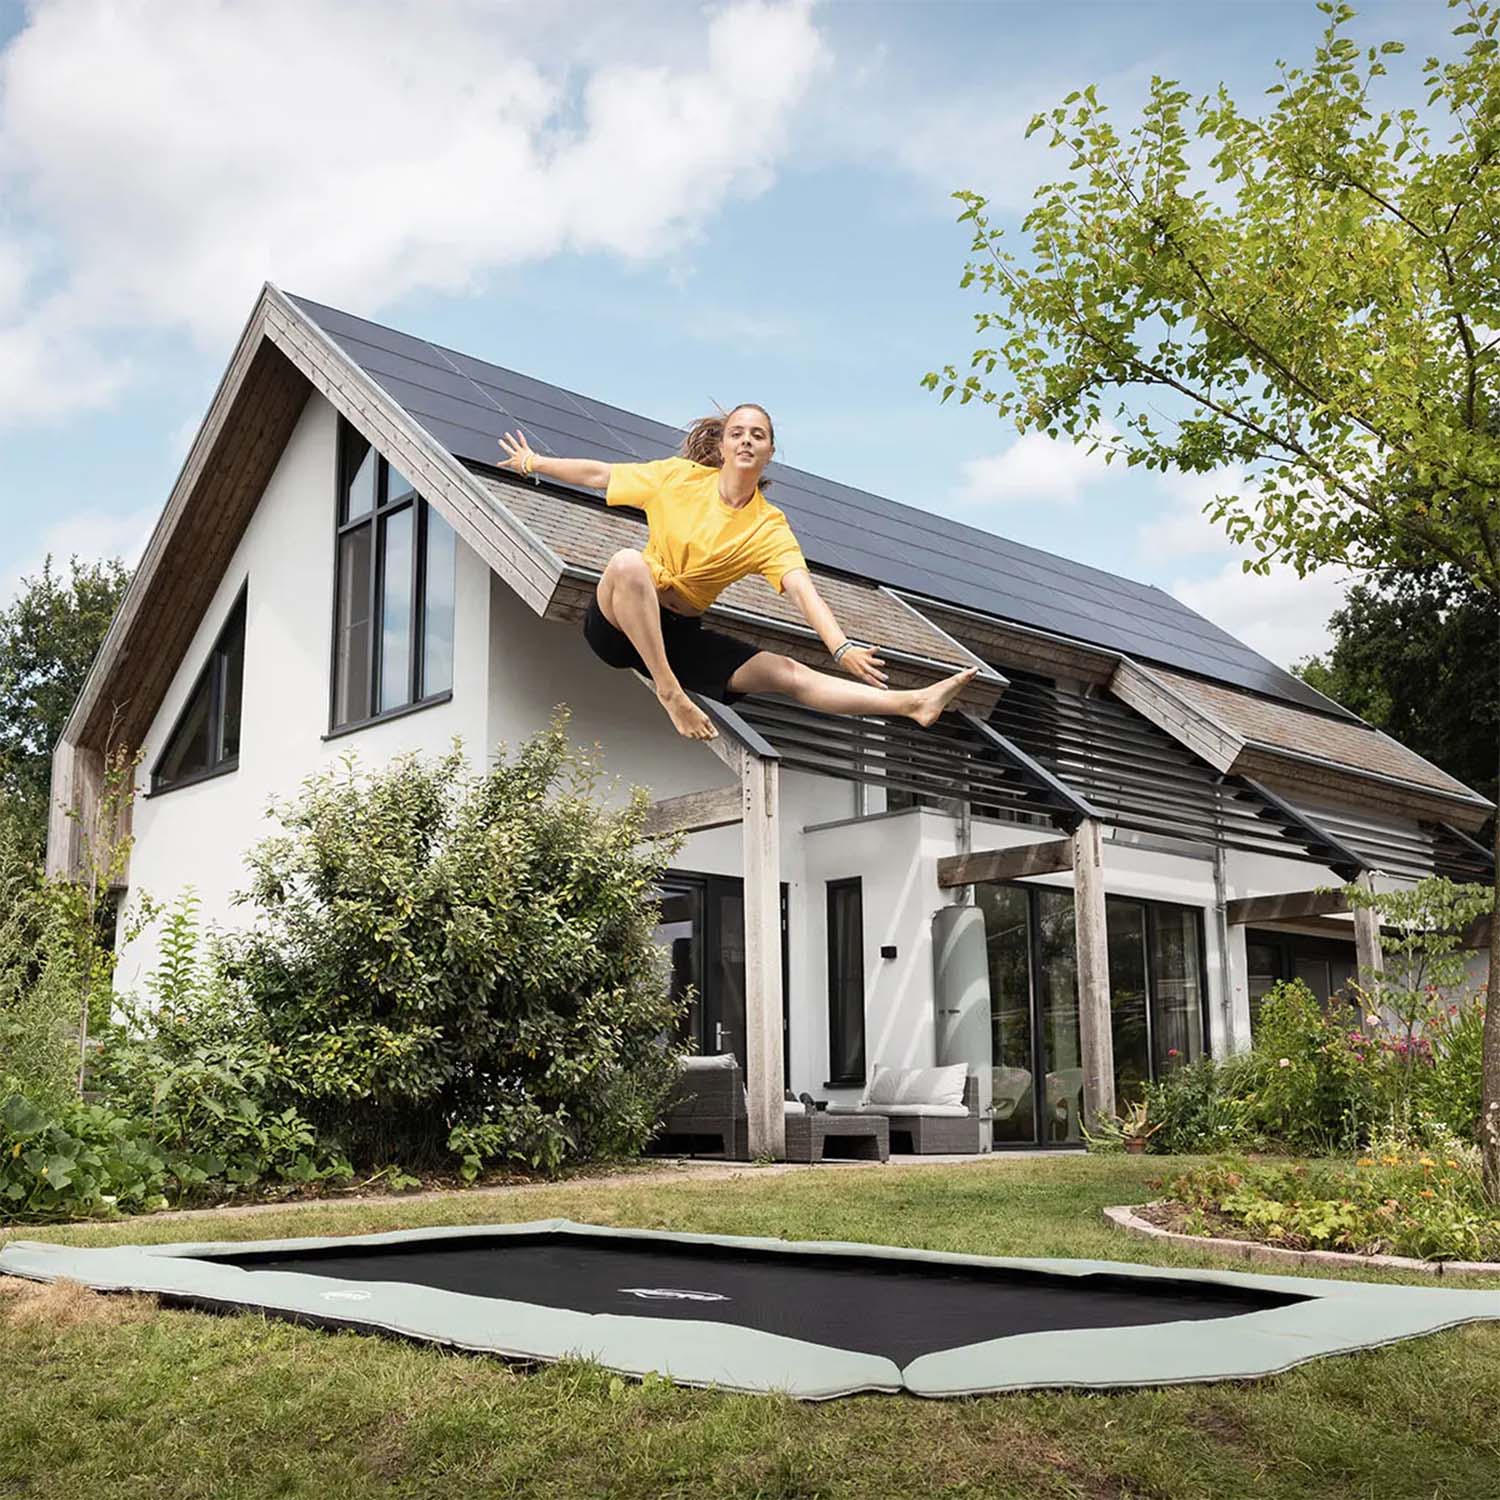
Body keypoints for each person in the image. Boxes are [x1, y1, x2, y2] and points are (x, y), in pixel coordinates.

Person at [497, 404, 976, 741]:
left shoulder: (768, 527)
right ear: (724, 446)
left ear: (769, 453)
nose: (747, 440)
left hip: (679, 635)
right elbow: (600, 475)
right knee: (627, 562)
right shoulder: (678, 478)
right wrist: (533, 462)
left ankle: (914, 704)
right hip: (618, 624)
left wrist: (841, 646)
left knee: (788, 672)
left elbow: (802, 591)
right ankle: (671, 694)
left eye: (758, 435)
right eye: (738, 432)